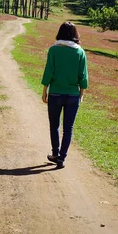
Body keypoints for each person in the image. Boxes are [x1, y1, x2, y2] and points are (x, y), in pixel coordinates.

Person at [40, 21, 88, 169]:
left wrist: (44, 90)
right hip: (73, 95)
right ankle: (62, 158)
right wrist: (81, 94)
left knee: (54, 125)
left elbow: (49, 71)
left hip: (55, 94)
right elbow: (83, 76)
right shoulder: (80, 52)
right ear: (75, 34)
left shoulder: (54, 50)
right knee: (68, 128)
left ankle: (55, 153)